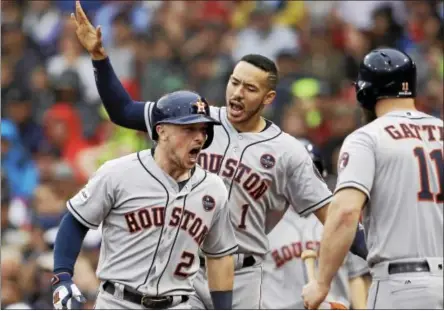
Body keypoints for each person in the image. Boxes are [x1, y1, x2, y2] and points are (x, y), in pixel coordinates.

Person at [70, 1, 367, 308]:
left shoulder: (287, 151)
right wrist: (99, 58)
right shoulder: (194, 121)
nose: (237, 93)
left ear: (269, 98)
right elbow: (122, 111)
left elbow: (333, 217)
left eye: (250, 88)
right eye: (234, 83)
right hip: (186, 269)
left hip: (244, 275)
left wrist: (373, 252)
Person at [51, 90, 238, 310]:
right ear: (162, 131)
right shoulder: (118, 173)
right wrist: (62, 276)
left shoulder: (213, 188)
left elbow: (219, 256)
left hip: (178, 305)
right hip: (119, 302)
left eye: (203, 129)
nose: (199, 137)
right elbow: (76, 220)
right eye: (189, 129)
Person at [302, 48, 444, 310]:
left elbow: (345, 213)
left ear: (364, 92)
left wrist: (322, 283)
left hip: (402, 285)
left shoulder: (367, 138)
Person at [262, 139, 370, 310]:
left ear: (322, 175)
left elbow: (356, 275)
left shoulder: (338, 218)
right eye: (294, 173)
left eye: (312, 171)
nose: (304, 179)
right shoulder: (264, 222)